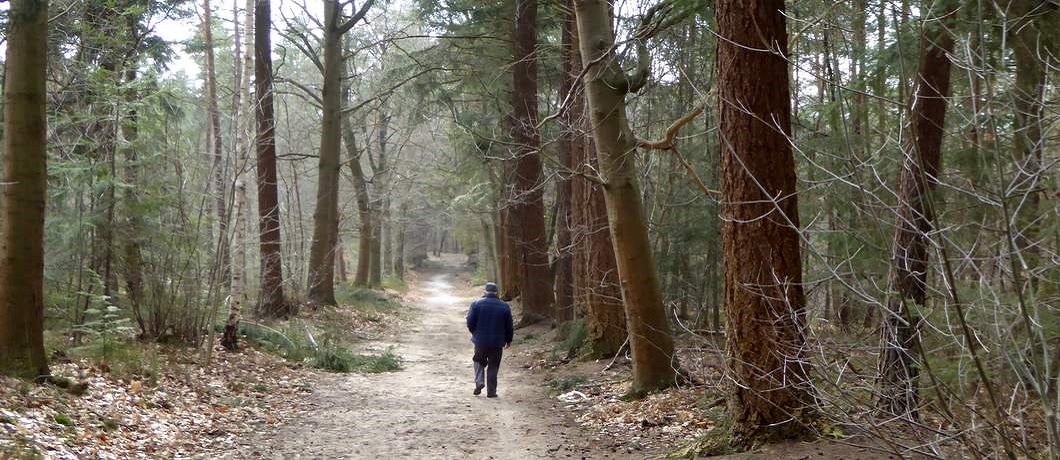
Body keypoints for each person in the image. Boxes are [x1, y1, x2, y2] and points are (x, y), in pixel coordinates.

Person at [466, 282, 513, 398]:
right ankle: (491, 391)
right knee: (493, 365)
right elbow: (509, 326)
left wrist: (475, 333)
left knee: (478, 361)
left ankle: (479, 381)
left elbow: (470, 322)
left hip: (480, 341)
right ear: (497, 293)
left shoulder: (476, 304)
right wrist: (508, 339)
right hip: (497, 343)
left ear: (485, 292)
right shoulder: (504, 306)